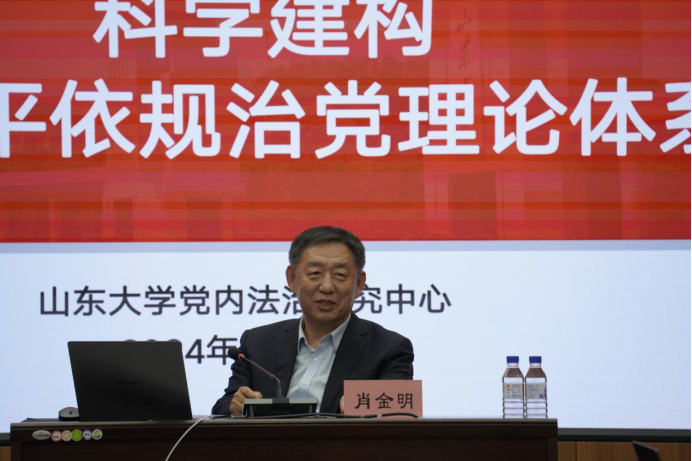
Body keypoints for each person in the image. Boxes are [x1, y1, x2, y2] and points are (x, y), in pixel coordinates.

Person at [211, 226, 414, 416]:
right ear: (292, 279)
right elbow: (223, 407)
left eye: (340, 275)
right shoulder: (257, 342)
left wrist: (363, 403)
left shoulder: (388, 348)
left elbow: (399, 412)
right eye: (315, 273)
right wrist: (236, 405)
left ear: (359, 283)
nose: (326, 286)